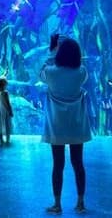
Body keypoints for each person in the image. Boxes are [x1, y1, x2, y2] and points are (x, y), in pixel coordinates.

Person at [41, 34, 92, 214]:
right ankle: (80, 202)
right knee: (78, 163)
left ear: (59, 53)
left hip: (57, 126)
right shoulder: (81, 72)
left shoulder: (51, 73)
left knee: (58, 165)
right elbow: (81, 73)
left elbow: (41, 71)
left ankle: (57, 203)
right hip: (76, 126)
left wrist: (53, 51)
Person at [0, 76, 14, 145]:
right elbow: (8, 103)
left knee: (0, 125)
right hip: (5, 111)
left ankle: (1, 140)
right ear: (5, 84)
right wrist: (10, 111)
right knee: (7, 124)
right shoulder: (5, 92)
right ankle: (7, 140)